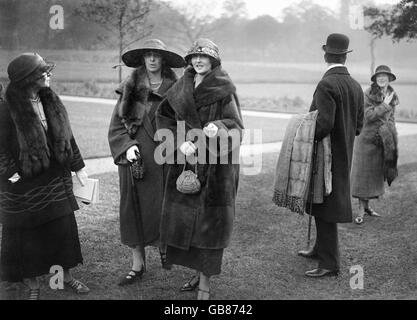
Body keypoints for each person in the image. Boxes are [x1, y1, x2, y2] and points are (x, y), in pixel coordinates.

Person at [156, 38, 244, 300]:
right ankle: (196, 273)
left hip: (217, 169)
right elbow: (164, 119)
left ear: (214, 61)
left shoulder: (224, 89)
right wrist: (178, 143)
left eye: (203, 57)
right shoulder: (180, 87)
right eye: (194, 57)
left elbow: (236, 127)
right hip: (186, 163)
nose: (198, 61)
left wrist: (219, 127)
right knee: (187, 223)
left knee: (209, 227)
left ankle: (205, 284)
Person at [0, 53, 89, 299]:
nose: (48, 75)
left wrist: (79, 167)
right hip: (23, 187)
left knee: (61, 233)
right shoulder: (6, 109)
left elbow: (67, 137)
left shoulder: (52, 101)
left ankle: (65, 278)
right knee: (26, 239)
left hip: (55, 182)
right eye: (43, 72)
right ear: (28, 79)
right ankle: (33, 286)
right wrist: (12, 174)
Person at [108, 39, 185, 286]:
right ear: (142, 59)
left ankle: (165, 250)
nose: (152, 59)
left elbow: (187, 124)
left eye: (156, 56)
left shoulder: (178, 89)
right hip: (136, 160)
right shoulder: (130, 89)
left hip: (167, 160)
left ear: (163, 60)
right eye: (148, 55)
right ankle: (137, 265)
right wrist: (127, 148)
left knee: (165, 208)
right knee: (134, 212)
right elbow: (117, 128)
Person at [298, 34, 364, 277]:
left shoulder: (326, 84)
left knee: (324, 204)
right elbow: (358, 126)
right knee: (323, 202)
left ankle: (330, 263)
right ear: (344, 56)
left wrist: (307, 134)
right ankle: (319, 248)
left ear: (326, 55)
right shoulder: (356, 86)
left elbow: (323, 124)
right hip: (344, 155)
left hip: (325, 157)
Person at [351, 65, 399, 224]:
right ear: (375, 79)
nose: (382, 79)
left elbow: (391, 118)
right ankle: (360, 210)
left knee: (374, 176)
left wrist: (392, 133)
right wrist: (384, 104)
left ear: (390, 78)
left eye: (385, 76)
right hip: (366, 140)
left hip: (382, 140)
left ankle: (367, 207)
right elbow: (368, 116)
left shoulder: (392, 95)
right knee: (363, 175)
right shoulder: (368, 94)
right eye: (379, 76)